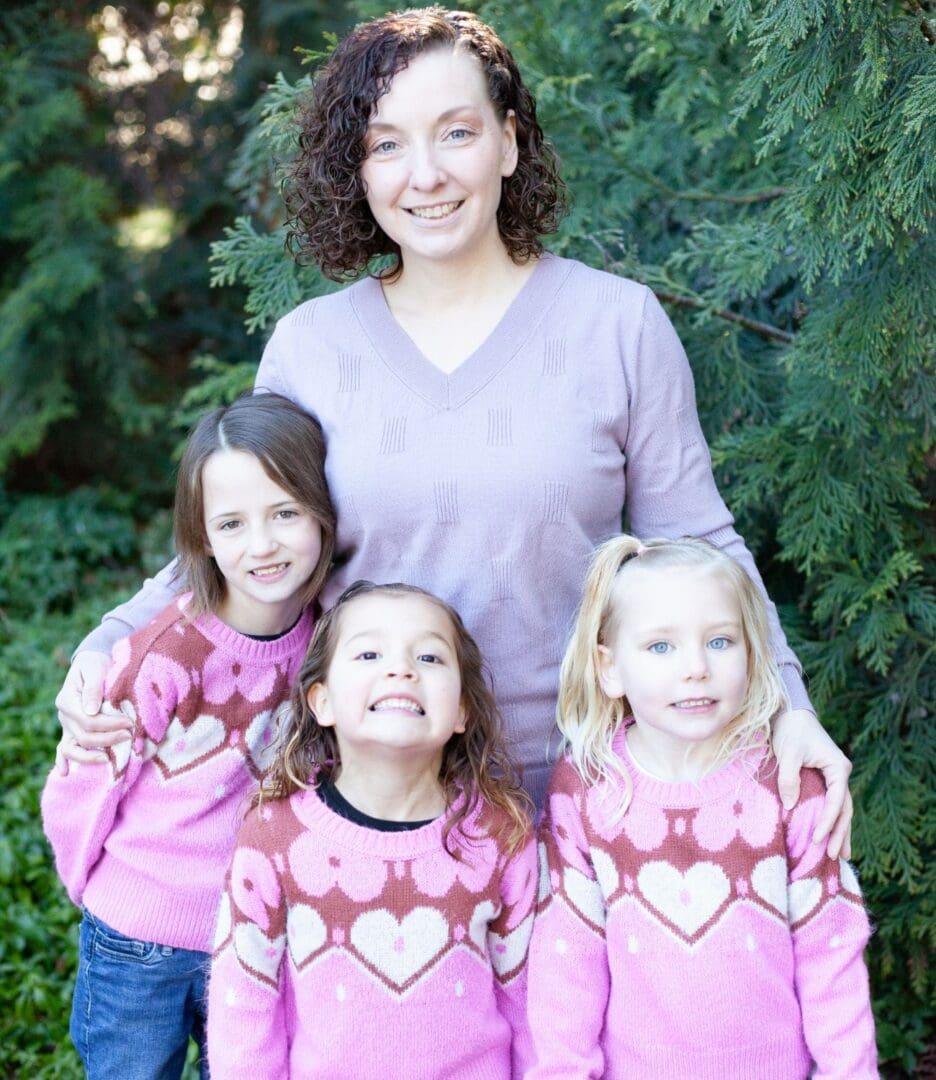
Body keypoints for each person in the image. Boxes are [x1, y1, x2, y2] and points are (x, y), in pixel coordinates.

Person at [54, 6, 851, 848]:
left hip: (587, 806)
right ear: (357, 170)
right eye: (387, 144)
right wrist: (108, 646)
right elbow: (245, 549)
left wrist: (787, 709)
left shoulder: (618, 326)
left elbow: (697, 540)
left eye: (456, 132)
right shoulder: (311, 349)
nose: (424, 174)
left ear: (508, 143)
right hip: (374, 816)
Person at [41, 393, 337, 1080]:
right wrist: (93, 888)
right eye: (232, 523)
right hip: (137, 936)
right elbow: (86, 779)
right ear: (201, 536)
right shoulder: (165, 655)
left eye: (285, 514)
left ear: (323, 513)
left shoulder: (328, 644)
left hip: (252, 936)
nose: (261, 545)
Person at [526, 535, 877, 1079]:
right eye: (661, 647)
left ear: (752, 652)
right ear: (609, 666)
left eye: (720, 642)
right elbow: (566, 962)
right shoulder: (588, 789)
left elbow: (831, 956)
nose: (696, 668)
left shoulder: (787, 786)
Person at [206, 581, 536, 1079]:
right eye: (368, 654)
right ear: (322, 702)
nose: (400, 669)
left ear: (464, 709)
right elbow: (244, 1007)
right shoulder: (275, 837)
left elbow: (529, 999)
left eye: (429, 657)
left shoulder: (498, 836)